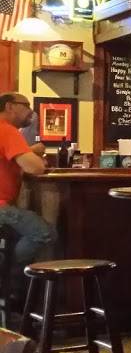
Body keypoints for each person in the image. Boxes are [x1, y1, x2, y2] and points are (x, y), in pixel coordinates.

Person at [0, 92, 56, 290]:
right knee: (44, 233)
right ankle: (6, 273)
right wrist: (35, 154)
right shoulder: (7, 130)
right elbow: (35, 168)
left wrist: (30, 151)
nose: (31, 111)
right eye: (26, 105)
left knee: (16, 236)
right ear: (10, 106)